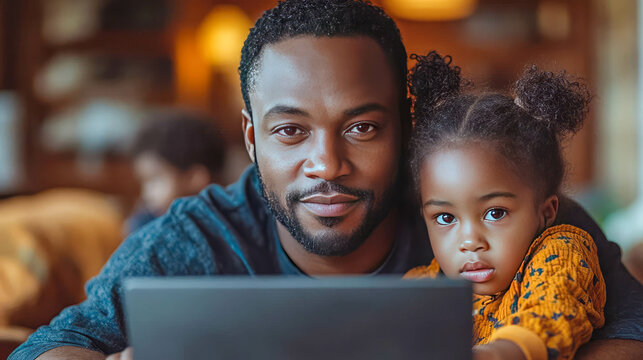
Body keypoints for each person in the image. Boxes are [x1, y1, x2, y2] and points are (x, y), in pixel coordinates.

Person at [9, 1, 642, 359]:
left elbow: (631, 330)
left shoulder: (494, 208)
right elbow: (56, 344)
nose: (327, 165)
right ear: (252, 140)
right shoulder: (198, 235)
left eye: (362, 128)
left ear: (405, 124)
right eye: (290, 132)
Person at [403, 52, 605, 359]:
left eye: (495, 213)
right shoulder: (420, 286)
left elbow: (553, 311)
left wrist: (496, 354)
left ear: (545, 211)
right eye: (445, 217)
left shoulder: (560, 253)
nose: (470, 241)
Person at [126, 111, 226, 233]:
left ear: (194, 178)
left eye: (154, 179)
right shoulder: (146, 223)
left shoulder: (225, 230)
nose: (146, 194)